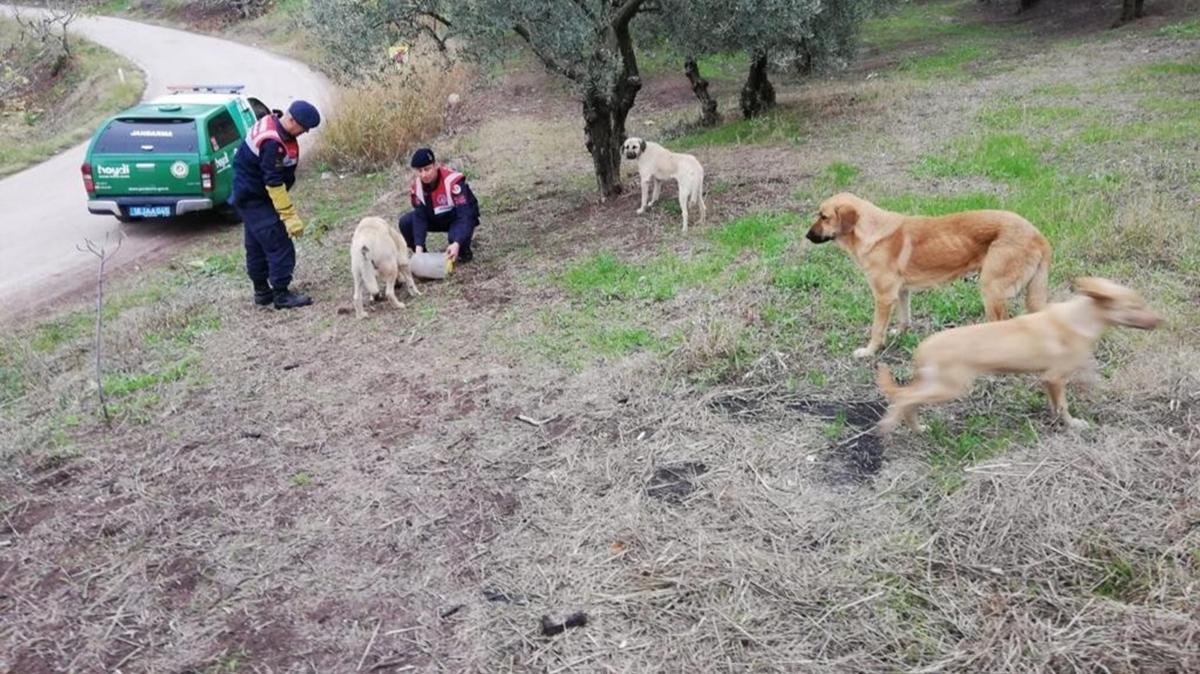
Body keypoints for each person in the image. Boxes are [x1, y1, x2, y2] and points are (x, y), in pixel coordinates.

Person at [230, 99, 320, 309]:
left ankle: (262, 292)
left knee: (256, 245)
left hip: (248, 195)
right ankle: (281, 294)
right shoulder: (272, 142)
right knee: (279, 244)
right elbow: (274, 183)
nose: (305, 132)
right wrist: (289, 216)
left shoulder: (273, 121)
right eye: (304, 128)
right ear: (291, 120)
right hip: (257, 198)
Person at [398, 148, 479, 263]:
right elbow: (420, 217)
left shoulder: (453, 181)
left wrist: (457, 242)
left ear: (435, 165)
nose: (424, 175)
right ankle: (424, 258)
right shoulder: (417, 187)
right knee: (405, 222)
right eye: (420, 171)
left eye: (427, 169)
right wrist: (418, 248)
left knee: (455, 238)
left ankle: (463, 251)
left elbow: (465, 215)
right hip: (436, 216)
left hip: (457, 216)